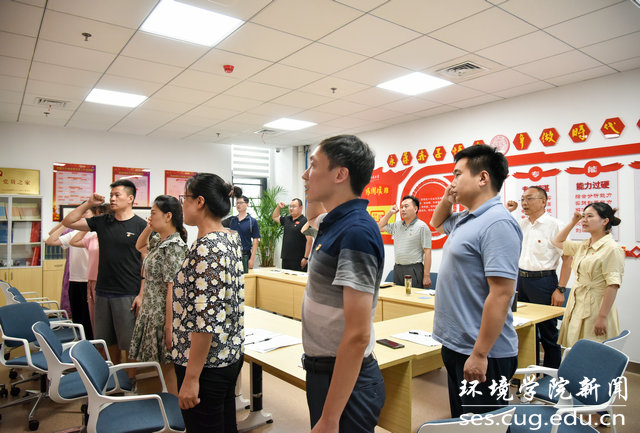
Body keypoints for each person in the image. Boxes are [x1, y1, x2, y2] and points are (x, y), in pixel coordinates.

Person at [301, 135, 386, 433]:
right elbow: (313, 216)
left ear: (340, 174)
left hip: (346, 379)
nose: (305, 175)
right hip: (325, 371)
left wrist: (330, 417)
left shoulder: (356, 232)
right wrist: (314, 190)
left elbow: (358, 335)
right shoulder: (334, 222)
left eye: (313, 166)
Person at [430, 144, 522, 417]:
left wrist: (480, 354)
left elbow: (502, 294)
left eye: (458, 174)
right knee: (463, 422)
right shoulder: (466, 218)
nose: (452, 182)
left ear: (483, 178)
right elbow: (437, 222)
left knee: (484, 426)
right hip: (458, 344)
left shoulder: (497, 223)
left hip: (483, 353)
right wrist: (448, 198)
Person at [172, 173, 244, 433]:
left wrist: (191, 378)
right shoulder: (230, 237)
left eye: (185, 198)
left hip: (206, 365)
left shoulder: (207, 248)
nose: (182, 204)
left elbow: (206, 320)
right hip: (227, 354)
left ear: (200, 201)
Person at [62, 179, 147, 367]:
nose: (112, 199)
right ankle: (114, 377)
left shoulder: (141, 226)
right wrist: (89, 204)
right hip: (102, 292)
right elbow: (68, 221)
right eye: (111, 195)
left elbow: (146, 263)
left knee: (129, 344)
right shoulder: (102, 222)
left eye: (117, 195)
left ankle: (130, 380)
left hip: (128, 292)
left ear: (130, 198)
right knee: (107, 343)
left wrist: (141, 294)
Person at [506, 186, 571, 368]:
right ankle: (527, 375)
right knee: (523, 329)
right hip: (521, 280)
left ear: (543, 201)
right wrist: (508, 211)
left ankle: (551, 377)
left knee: (548, 333)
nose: (524, 203)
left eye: (529, 199)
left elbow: (567, 259)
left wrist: (560, 289)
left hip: (544, 281)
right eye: (522, 199)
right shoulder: (521, 224)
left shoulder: (555, 225)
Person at [130, 195, 187, 396]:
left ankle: (176, 407)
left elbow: (174, 288)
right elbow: (139, 246)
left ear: (168, 216)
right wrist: (149, 227)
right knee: (163, 364)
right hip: (153, 312)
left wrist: (169, 327)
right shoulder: (159, 240)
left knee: (169, 365)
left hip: (164, 314)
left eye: (153, 213)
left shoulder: (174, 246)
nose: (150, 217)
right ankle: (172, 402)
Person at [552, 202, 624, 347]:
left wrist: (602, 317)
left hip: (597, 307)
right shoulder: (584, 245)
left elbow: (612, 285)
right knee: (574, 346)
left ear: (605, 221)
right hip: (577, 303)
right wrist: (573, 221)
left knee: (592, 349)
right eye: (583, 216)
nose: (584, 220)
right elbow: (557, 241)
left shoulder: (612, 249)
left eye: (590, 216)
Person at [46, 208, 94, 340]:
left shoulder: (96, 233)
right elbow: (50, 240)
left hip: (89, 280)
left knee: (88, 320)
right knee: (77, 317)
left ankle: (91, 346)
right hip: (74, 280)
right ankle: (80, 345)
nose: (82, 215)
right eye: (81, 213)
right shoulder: (74, 233)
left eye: (86, 212)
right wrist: (66, 223)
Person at [70, 203, 110, 330]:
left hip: (106, 281)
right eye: (97, 216)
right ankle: (95, 341)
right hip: (91, 280)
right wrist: (88, 227)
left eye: (101, 216)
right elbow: (73, 241)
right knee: (93, 318)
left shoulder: (113, 236)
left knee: (105, 319)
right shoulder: (93, 237)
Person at [377, 195, 432, 288]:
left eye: (406, 206)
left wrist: (426, 276)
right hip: (398, 268)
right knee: (398, 295)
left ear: (415, 209)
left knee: (412, 296)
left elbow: (428, 252)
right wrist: (390, 213)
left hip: (414, 268)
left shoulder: (422, 226)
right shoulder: (397, 225)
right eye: (401, 207)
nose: (403, 209)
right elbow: (379, 227)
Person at [272, 198, 313, 271]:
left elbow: (309, 240)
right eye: (290, 206)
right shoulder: (287, 219)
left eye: (294, 206)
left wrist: (305, 258)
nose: (291, 208)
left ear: (301, 208)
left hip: (298, 260)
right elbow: (275, 217)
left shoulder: (305, 221)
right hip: (285, 258)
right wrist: (278, 207)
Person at [222, 196, 260, 273]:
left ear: (247, 204)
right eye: (237, 203)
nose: (238, 205)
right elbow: (217, 224)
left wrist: (252, 259)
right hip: (232, 254)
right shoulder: (232, 220)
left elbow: (256, 241)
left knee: (246, 277)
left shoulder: (252, 221)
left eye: (240, 203)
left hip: (245, 255)